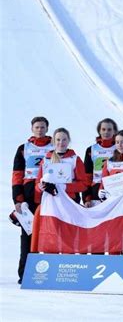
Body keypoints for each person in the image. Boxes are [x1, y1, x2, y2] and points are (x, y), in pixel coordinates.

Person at [11, 116, 53, 284]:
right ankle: (25, 274)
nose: (40, 130)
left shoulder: (53, 146)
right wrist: (18, 199)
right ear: (32, 129)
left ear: (47, 128)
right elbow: (17, 176)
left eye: (43, 127)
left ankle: (49, 272)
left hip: (48, 195)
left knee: (50, 234)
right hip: (28, 195)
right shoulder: (23, 148)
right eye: (37, 127)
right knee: (28, 235)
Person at [35, 128, 88, 204]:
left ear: (68, 140)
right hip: (50, 201)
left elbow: (84, 185)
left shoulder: (75, 159)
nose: (61, 142)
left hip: (70, 200)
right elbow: (37, 183)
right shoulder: (46, 159)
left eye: (64, 139)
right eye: (58, 140)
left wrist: (65, 187)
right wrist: (40, 187)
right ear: (53, 141)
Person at [83, 118, 118, 207]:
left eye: (109, 129)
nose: (106, 132)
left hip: (115, 189)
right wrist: (86, 197)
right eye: (103, 129)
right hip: (96, 190)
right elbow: (87, 175)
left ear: (114, 131)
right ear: (99, 131)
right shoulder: (91, 149)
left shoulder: (119, 148)